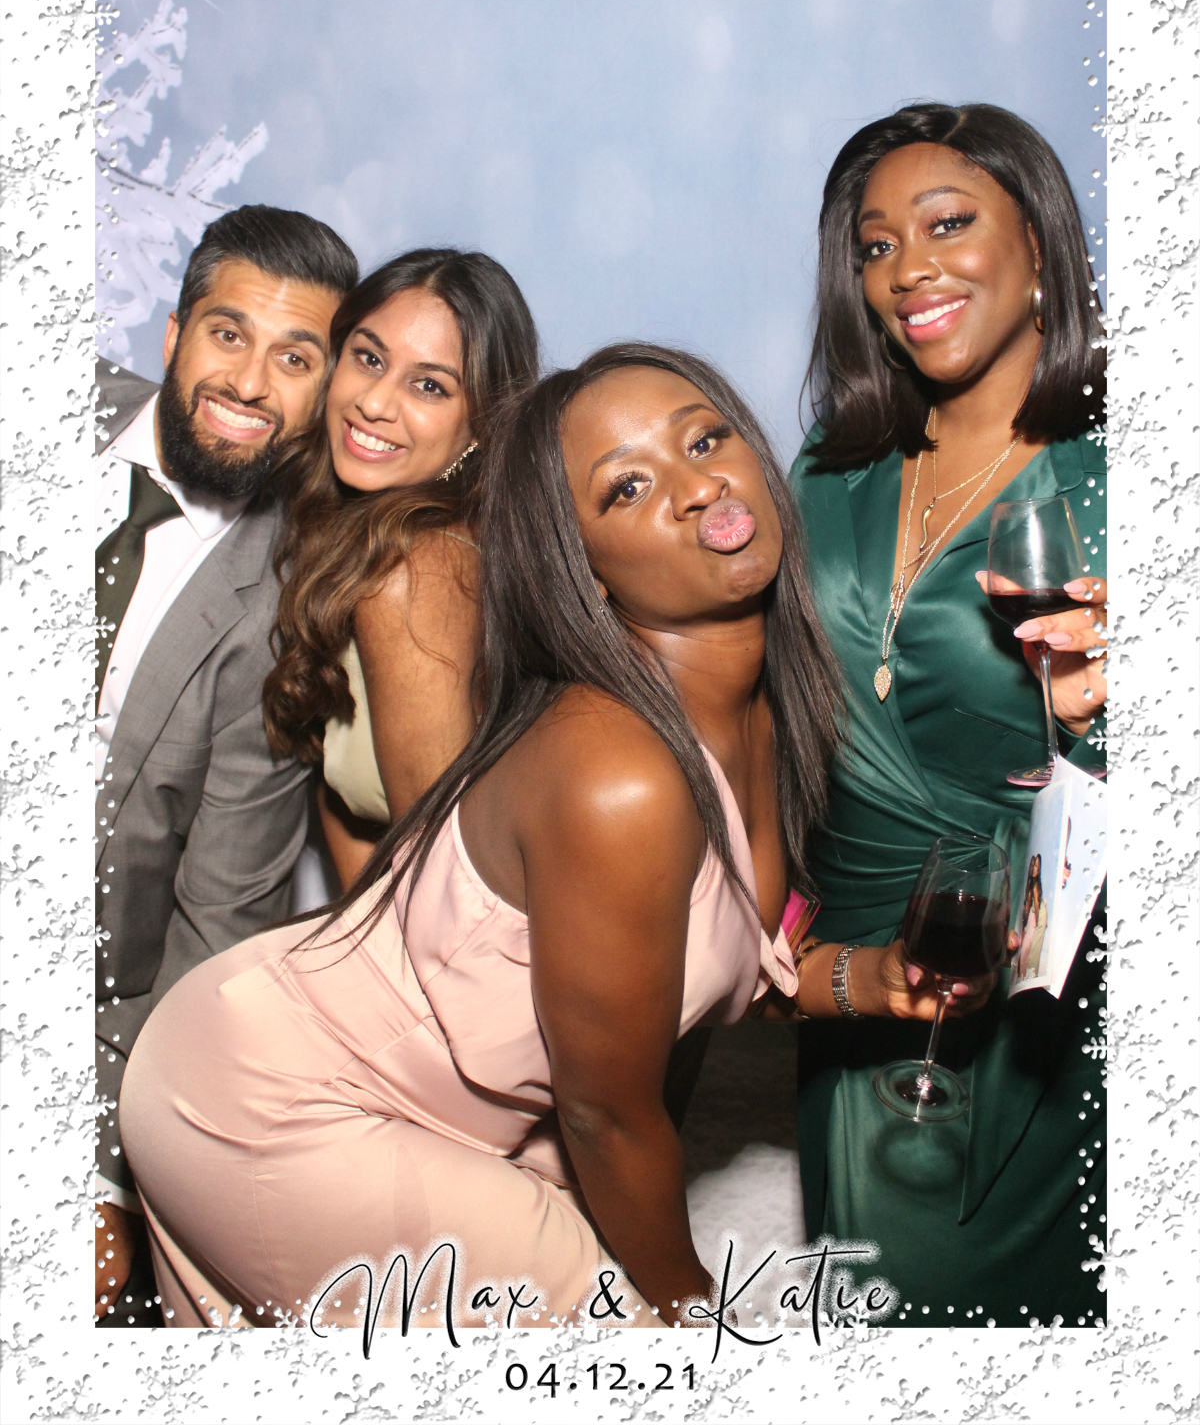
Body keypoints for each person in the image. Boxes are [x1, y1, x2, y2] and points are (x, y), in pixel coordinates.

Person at [120, 345, 999, 1331]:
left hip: (423, 1104)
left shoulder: (758, 714)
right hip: (273, 1096)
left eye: (704, 440)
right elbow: (606, 1115)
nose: (695, 486)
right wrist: (692, 1316)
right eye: (628, 487)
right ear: (583, 570)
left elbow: (718, 961)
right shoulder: (616, 772)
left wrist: (869, 979)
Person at [789, 102, 1107, 1328]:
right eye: (875, 246)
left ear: (1041, 246)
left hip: (1040, 991)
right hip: (851, 980)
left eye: (947, 224)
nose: (906, 268)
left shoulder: (1124, 478)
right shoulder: (835, 464)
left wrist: (1104, 716)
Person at [95, 204, 358, 1322]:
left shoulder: (288, 615)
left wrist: (107, 1176)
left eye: (295, 359)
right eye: (228, 334)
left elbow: (210, 938)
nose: (250, 384)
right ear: (172, 334)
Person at [262, 249, 540, 891]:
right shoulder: (366, 533)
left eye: (429, 386)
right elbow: (350, 798)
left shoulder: (417, 570)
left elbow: (442, 876)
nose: (375, 402)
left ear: (483, 423)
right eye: (368, 358)